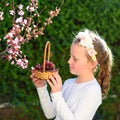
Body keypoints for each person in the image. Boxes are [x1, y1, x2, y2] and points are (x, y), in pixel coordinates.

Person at [30, 29, 113, 120]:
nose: (69, 61)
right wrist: (41, 87)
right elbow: (51, 114)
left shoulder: (92, 90)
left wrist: (57, 94)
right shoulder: (68, 83)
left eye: (75, 59)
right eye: (70, 56)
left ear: (92, 64)